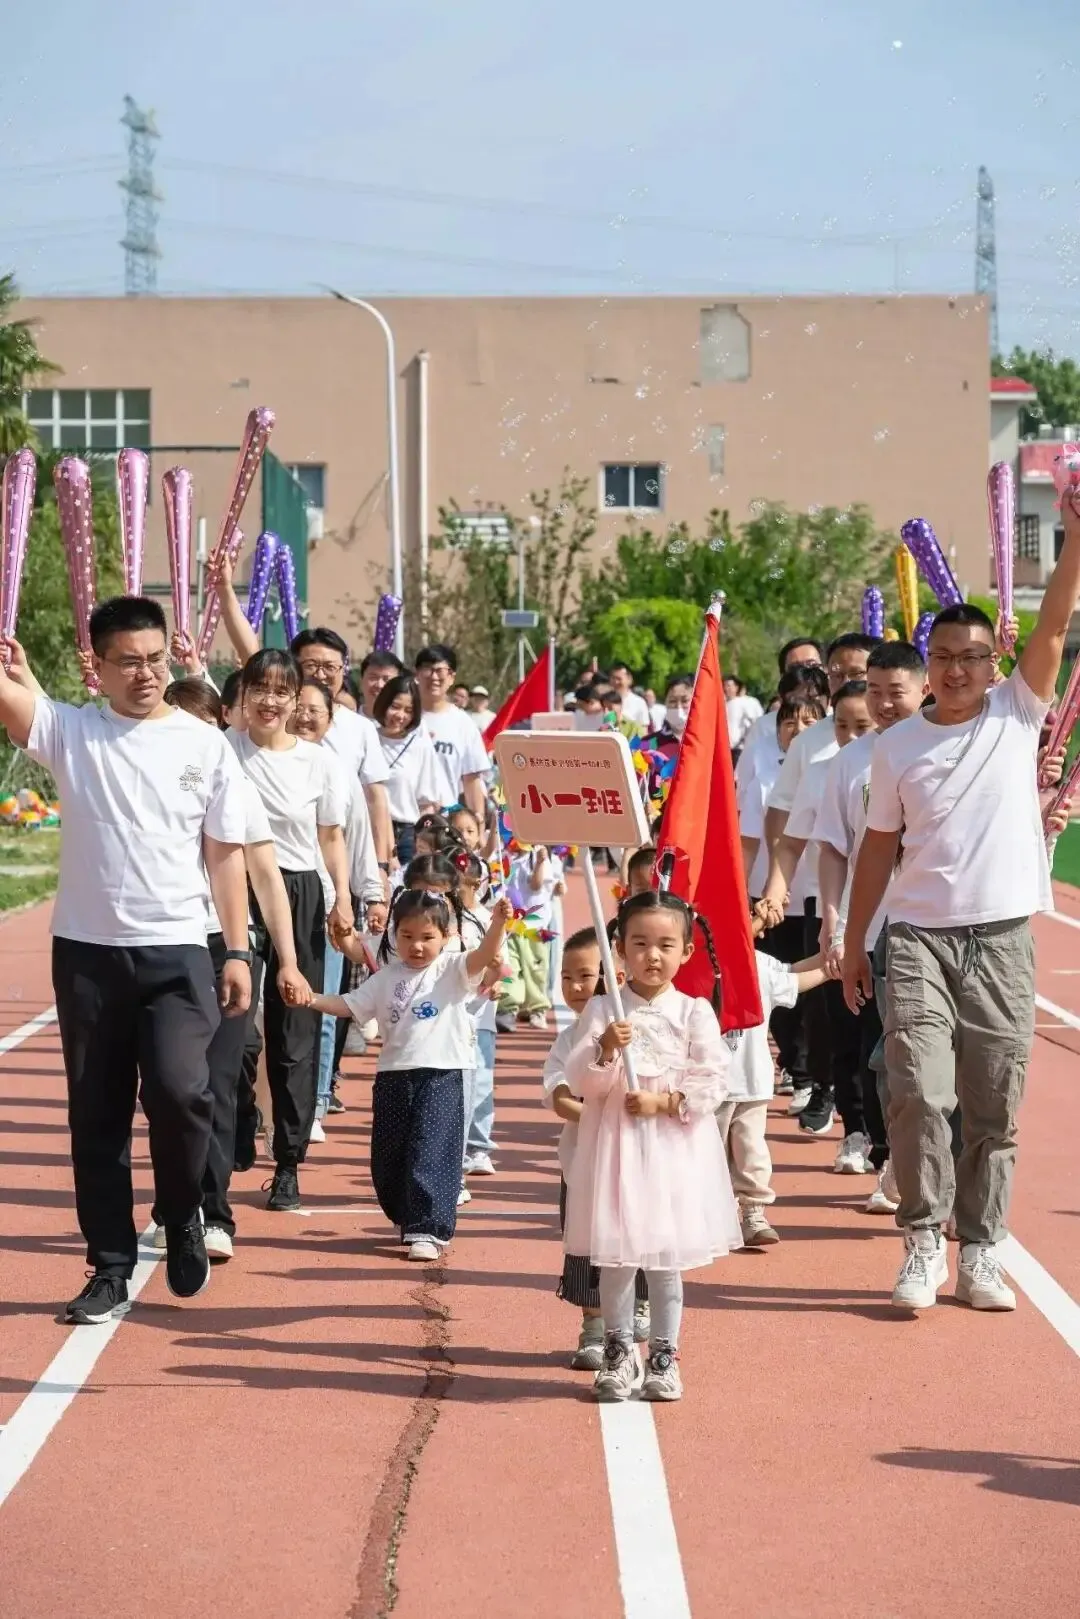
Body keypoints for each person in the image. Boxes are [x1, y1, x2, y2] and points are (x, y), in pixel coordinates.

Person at [843, 487, 1080, 1313]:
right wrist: (854, 941)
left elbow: (1055, 625)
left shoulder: (1017, 712)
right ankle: (922, 1240)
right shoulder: (898, 745)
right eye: (942, 655)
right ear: (927, 658)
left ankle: (980, 1248)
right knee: (916, 1087)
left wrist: (1074, 535)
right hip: (917, 938)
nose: (955, 669)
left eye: (972, 656)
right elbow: (879, 847)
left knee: (994, 1100)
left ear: (993, 664)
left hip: (1003, 939)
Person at [0, 599, 252, 1322]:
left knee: (180, 1090)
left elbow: (225, 854)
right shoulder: (72, 730)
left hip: (180, 948)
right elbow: (15, 704)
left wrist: (237, 948)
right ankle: (109, 1265)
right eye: (130, 662)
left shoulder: (206, 744)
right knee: (97, 1113)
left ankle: (182, 1212)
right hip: (88, 954)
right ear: (98, 666)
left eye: (156, 658)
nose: (146, 673)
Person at [151, 678, 313, 1259]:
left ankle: (213, 1213)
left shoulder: (232, 781)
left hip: (224, 948)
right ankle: (176, 1201)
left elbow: (266, 876)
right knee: (167, 1087)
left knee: (217, 1081)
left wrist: (287, 960)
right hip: (158, 944)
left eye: (202, 725)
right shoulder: (142, 775)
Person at [562, 891, 742, 1402]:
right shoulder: (604, 1009)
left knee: (665, 1261)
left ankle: (665, 1356)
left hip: (672, 1154)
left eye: (665, 945)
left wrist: (666, 1102)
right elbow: (582, 1081)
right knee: (616, 1259)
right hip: (616, 1151)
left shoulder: (694, 1011)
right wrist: (605, 1049)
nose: (652, 956)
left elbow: (714, 1077)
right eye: (639, 944)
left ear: (686, 951)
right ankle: (619, 1352)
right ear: (619, 949)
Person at [310, 890, 512, 1260]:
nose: (416, 946)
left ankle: (427, 1228)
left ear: (446, 937)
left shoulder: (453, 968)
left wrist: (498, 923)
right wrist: (309, 999)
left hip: (442, 1073)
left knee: (431, 1148)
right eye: (407, 936)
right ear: (394, 935)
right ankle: (406, 1213)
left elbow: (484, 955)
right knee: (388, 1156)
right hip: (393, 1076)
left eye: (427, 937)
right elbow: (348, 1005)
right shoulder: (385, 978)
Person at [230, 650, 352, 1212]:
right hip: (235, 888)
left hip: (300, 891)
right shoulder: (224, 750)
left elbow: (330, 838)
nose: (271, 702)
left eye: (283, 692)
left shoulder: (318, 762)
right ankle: (240, 1114)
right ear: (244, 694)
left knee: (294, 1033)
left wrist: (342, 896)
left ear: (297, 699)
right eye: (261, 689)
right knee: (234, 1026)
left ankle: (287, 1161)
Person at [814, 641, 929, 1212]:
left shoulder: (947, 747)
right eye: (874, 691)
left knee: (932, 1060)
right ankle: (893, 1158)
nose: (883, 704)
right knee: (888, 1053)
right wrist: (834, 922)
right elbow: (834, 849)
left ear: (923, 688)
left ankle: (925, 1164)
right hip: (878, 927)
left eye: (895, 692)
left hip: (936, 921)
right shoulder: (850, 761)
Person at [210, 556, 395, 871]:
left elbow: (373, 801)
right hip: (267, 861)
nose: (321, 674)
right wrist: (225, 590)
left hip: (329, 857)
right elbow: (249, 651)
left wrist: (379, 865)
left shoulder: (357, 728)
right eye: (311, 665)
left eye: (330, 666)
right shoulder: (272, 712)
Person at [757, 681, 876, 1145]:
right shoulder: (824, 769)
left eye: (861, 726)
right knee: (839, 1021)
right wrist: (774, 893)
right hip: (833, 911)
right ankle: (857, 1129)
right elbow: (793, 842)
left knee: (887, 1031)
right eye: (841, 725)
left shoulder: (910, 760)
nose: (850, 736)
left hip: (900, 916)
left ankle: (885, 1137)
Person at [544, 928, 650, 1369]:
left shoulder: (639, 1027)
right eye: (566, 977)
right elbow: (559, 1097)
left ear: (615, 976)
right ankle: (593, 1329)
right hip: (584, 1164)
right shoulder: (569, 1039)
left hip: (637, 1162)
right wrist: (596, 1117)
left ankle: (638, 1304)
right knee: (586, 1244)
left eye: (586, 976)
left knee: (638, 1236)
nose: (575, 986)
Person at [718, 946, 829, 1246]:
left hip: (751, 1083)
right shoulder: (689, 957)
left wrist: (829, 963)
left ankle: (753, 1212)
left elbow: (793, 976)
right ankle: (710, 1217)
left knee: (751, 1151)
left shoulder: (758, 962)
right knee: (707, 1156)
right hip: (705, 1087)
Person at [372, 674, 441, 865]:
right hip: (369, 831)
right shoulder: (366, 737)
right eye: (395, 707)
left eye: (408, 710)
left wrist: (424, 845)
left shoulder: (420, 745)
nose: (400, 716)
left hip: (406, 838)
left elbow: (427, 803)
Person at [415, 643, 488, 818]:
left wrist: (478, 821)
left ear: (451, 677)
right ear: (416, 673)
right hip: (402, 821)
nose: (434, 676)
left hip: (444, 821)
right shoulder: (401, 717)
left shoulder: (463, 724)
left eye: (440, 670)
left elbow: (471, 781)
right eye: (427, 669)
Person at [498, 842, 563, 1031]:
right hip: (512, 925)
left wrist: (540, 861)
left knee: (535, 970)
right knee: (511, 967)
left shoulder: (538, 855)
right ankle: (509, 1009)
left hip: (535, 927)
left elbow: (536, 885)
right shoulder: (506, 855)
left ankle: (536, 1009)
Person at [724, 676, 763, 758]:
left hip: (738, 748)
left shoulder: (743, 702)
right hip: (725, 747)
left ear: (736, 687)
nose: (727, 688)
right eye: (725, 685)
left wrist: (745, 738)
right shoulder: (724, 704)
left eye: (729, 686)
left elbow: (754, 721)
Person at [608, 661, 651, 733]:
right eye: (613, 678)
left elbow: (643, 731)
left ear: (629, 680)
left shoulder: (639, 702)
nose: (615, 682)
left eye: (619, 679)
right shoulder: (604, 700)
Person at [359, 650, 404, 719]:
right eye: (373, 678)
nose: (379, 685)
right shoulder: (346, 721)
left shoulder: (409, 723)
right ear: (361, 681)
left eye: (386, 679)